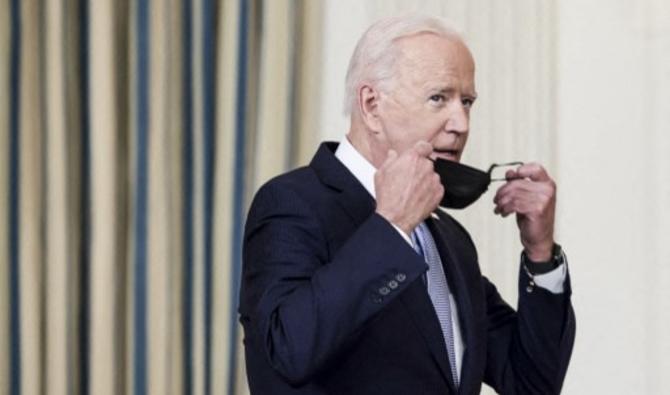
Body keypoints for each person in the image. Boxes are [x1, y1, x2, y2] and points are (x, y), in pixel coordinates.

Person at [239, 15, 575, 395]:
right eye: (439, 98)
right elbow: (286, 353)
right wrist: (392, 227)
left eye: (467, 102)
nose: (461, 123)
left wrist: (540, 254)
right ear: (371, 105)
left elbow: (533, 383)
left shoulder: (449, 238)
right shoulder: (294, 203)